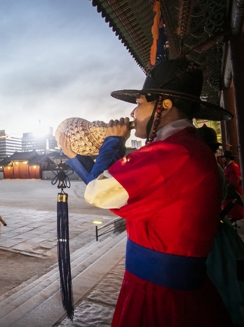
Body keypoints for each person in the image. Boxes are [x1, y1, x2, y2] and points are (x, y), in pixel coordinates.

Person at [60, 58, 233, 327]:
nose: (132, 114)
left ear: (163, 105)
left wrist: (113, 141)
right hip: (168, 288)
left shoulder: (173, 153)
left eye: (139, 104)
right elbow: (112, 189)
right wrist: (76, 157)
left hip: (161, 299)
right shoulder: (186, 149)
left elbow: (98, 193)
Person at [221, 150, 244, 222]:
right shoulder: (229, 167)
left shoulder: (232, 167)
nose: (222, 159)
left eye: (224, 158)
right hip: (230, 195)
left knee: (233, 214)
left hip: (232, 196)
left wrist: (225, 189)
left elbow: (233, 183)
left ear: (227, 158)